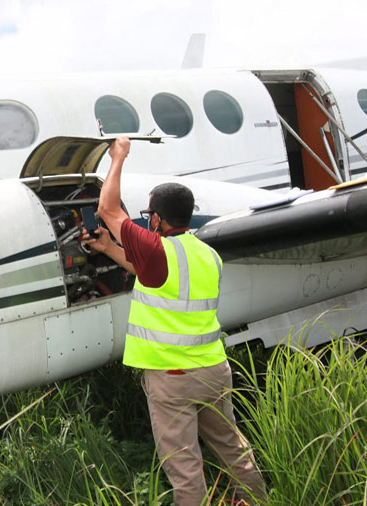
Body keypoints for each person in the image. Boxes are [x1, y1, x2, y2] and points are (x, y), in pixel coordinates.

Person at [85, 137, 267, 505]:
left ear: (157, 218)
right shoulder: (206, 254)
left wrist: (119, 156)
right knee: (232, 448)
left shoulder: (157, 249)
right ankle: (258, 500)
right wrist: (107, 248)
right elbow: (150, 273)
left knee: (184, 466)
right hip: (214, 369)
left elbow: (107, 208)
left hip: (173, 377)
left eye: (149, 213)